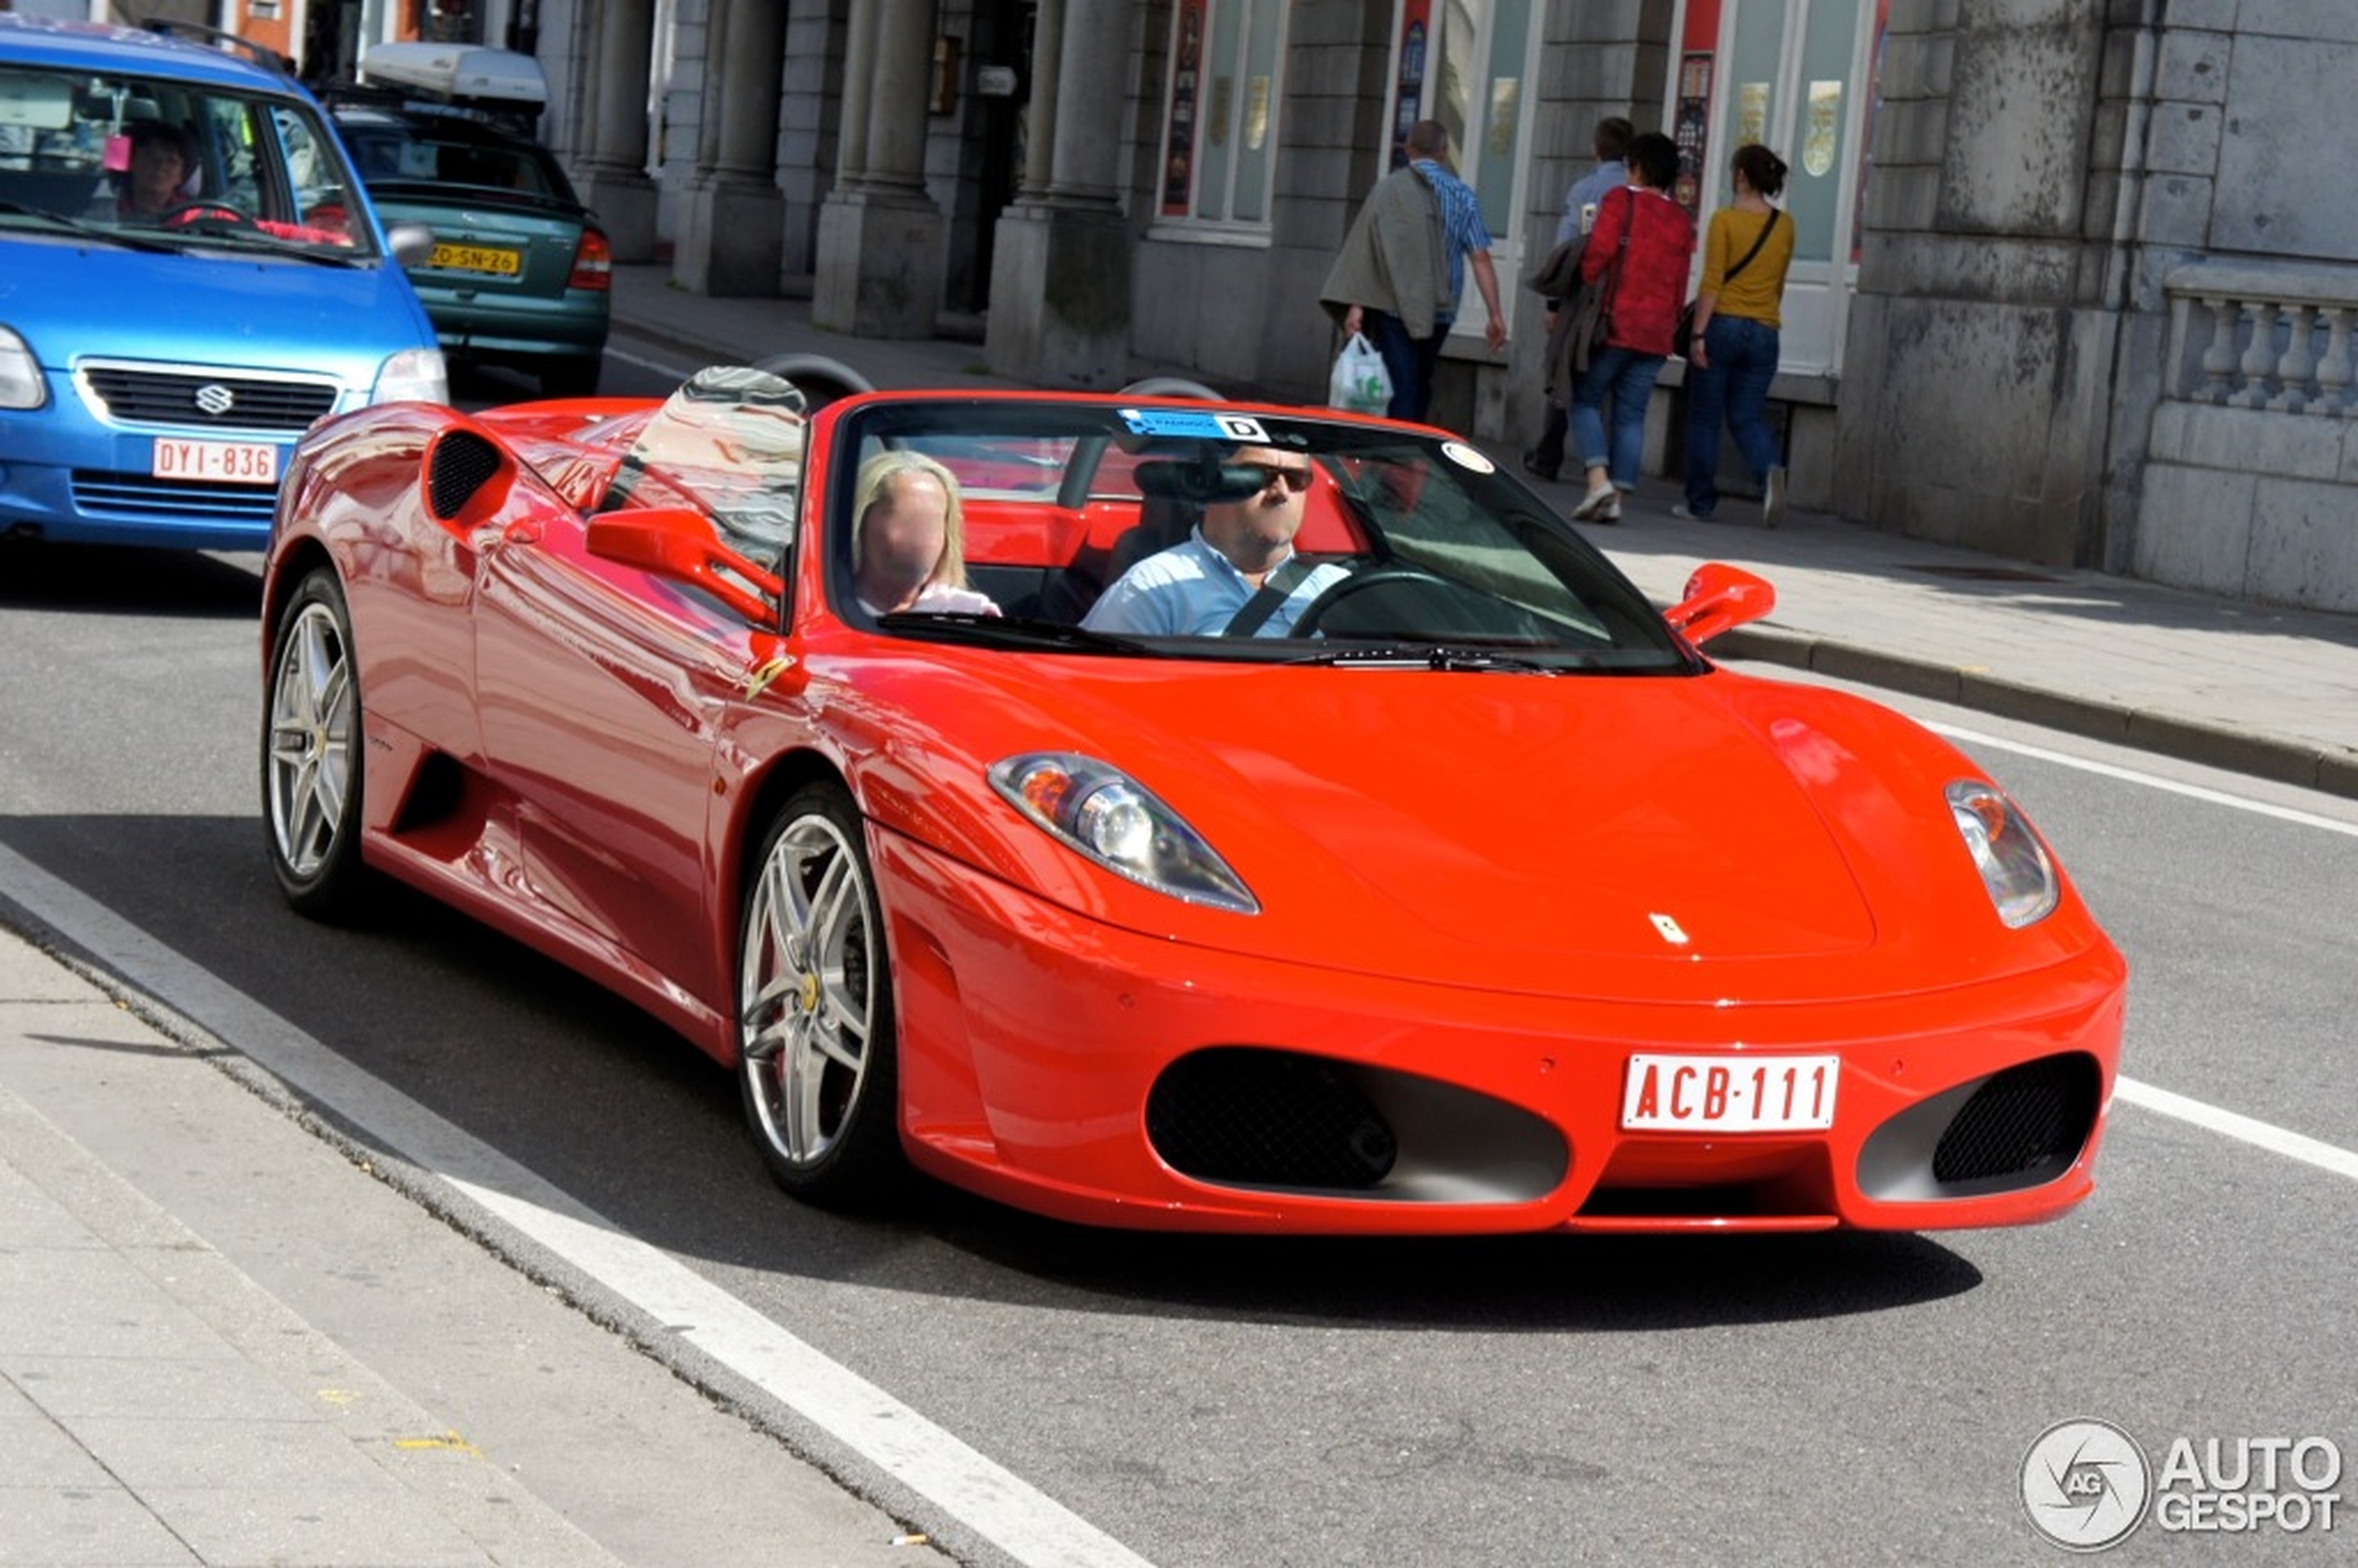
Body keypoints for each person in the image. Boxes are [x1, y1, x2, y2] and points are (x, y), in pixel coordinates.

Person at [1318, 119, 1507, 423]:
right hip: (1442, 308)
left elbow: (1366, 252)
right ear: (1444, 152)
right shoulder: (1463, 196)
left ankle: (1400, 455)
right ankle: (1415, 447)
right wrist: (1495, 314)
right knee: (1420, 378)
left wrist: (1356, 305)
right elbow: (1480, 258)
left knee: (1401, 382)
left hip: (1395, 306)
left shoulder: (1387, 191)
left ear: (1408, 151)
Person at [1564, 131, 1695, 525]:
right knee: (1632, 414)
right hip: (1657, 333)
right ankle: (1617, 497)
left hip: (1617, 321)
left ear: (1635, 167)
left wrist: (1584, 283)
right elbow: (1679, 279)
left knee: (1585, 398)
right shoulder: (1681, 220)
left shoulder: (1621, 200)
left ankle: (1598, 479)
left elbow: (1599, 254)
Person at [1082, 446, 1347, 636]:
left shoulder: (1340, 588)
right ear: (1210, 487)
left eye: (1296, 479)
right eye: (1260, 476)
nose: (1281, 493)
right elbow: (1096, 688)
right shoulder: (1155, 586)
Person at [1678, 143, 1796, 526]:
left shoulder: (1724, 221)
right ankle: (1769, 471)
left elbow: (1712, 282)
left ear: (1741, 175)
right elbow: (1778, 282)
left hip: (1724, 325)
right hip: (1765, 330)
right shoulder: (1784, 225)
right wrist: (1765, 315)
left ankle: (1699, 503)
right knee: (1747, 416)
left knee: (1705, 418)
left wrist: (1698, 335)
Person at [1523, 117, 1632, 482]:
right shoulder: (1636, 193)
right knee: (1619, 387)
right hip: (1626, 298)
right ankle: (1616, 467)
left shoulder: (1585, 190)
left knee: (1564, 372)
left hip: (1583, 295)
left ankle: (1549, 455)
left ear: (1595, 149)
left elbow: (1564, 249)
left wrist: (1553, 305)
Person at [850, 448, 998, 616]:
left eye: (931, 523)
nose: (922, 541)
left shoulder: (973, 614)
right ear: (859, 523)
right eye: (906, 522)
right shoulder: (823, 611)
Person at [106, 120, 196, 221]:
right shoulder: (106, 209)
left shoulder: (191, 214)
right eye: (151, 157)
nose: (161, 166)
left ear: (180, 176)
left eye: (171, 161)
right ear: (132, 162)